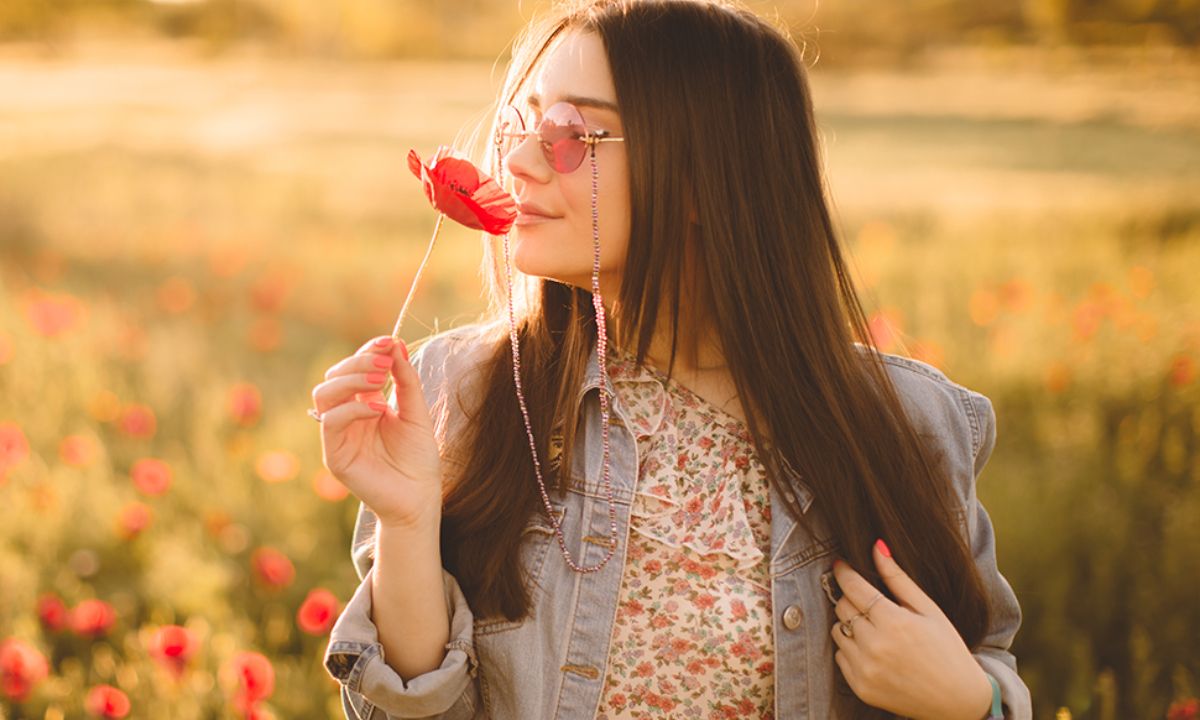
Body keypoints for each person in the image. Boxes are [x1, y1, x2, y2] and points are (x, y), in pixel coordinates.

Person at [311, 0, 1033, 717]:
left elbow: (986, 656)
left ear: (702, 175)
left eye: (569, 135)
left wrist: (975, 702)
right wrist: (407, 524)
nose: (518, 163)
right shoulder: (462, 394)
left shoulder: (907, 424)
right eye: (521, 123)